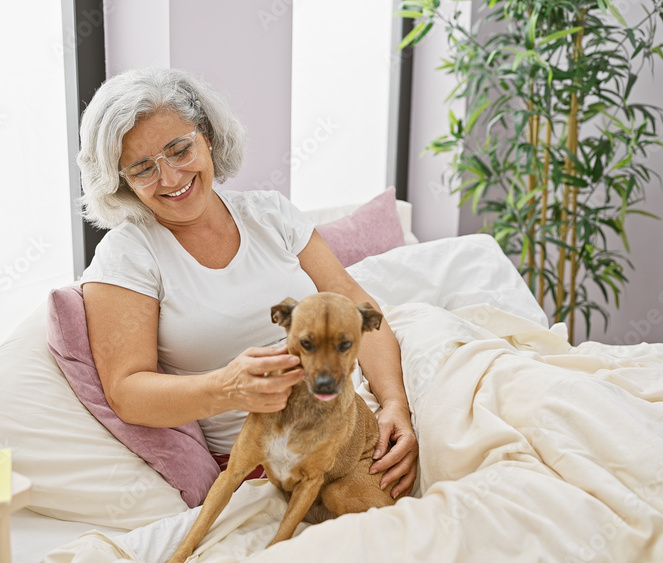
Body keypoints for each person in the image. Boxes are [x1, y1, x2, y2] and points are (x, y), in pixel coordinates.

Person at [77, 67, 418, 499]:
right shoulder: (127, 254)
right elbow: (127, 392)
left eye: (179, 150)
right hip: (273, 461)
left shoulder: (270, 214)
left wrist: (395, 405)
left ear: (207, 136)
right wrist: (226, 387)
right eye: (143, 168)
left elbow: (354, 303)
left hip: (363, 427)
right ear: (120, 181)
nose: (170, 178)